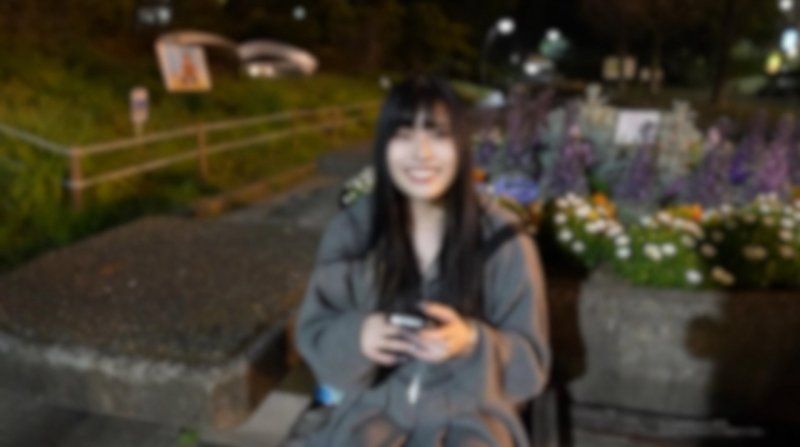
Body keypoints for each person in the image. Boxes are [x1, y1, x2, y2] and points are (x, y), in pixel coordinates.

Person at [294, 76, 551, 446]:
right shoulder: (355, 231)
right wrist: (358, 337)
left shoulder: (505, 241)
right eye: (403, 135)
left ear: (461, 145)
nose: (422, 153)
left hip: (473, 419)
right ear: (383, 146)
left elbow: (531, 368)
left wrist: (472, 343)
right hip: (372, 413)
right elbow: (316, 335)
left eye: (439, 135)